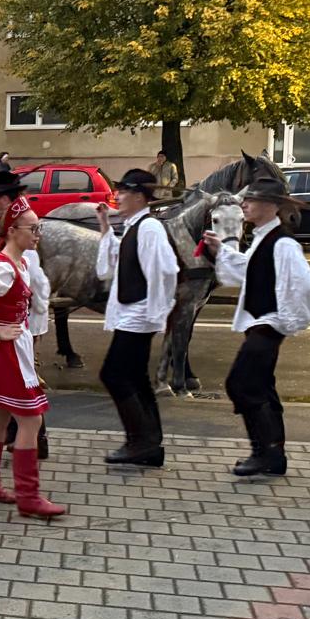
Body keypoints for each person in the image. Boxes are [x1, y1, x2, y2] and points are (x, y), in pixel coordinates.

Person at [204, 177, 310, 477]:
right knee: (262, 386)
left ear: (271, 206)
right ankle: (272, 454)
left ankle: (265, 452)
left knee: (242, 383)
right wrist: (221, 250)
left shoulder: (284, 243)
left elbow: (304, 286)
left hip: (269, 324)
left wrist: (282, 322)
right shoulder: (263, 239)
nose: (245, 204)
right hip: (261, 323)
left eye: (251, 200)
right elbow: (250, 270)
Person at [0, 196, 63, 517]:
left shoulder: (18, 262)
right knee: (31, 418)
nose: (38, 234)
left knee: (0, 416)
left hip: (9, 346)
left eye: (39, 228)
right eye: (32, 229)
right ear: (12, 231)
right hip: (3, 349)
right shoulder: (4, 266)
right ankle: (28, 496)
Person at [95, 169, 177, 467]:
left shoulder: (149, 228)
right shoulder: (135, 226)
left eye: (123, 192)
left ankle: (141, 442)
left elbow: (166, 270)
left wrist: (155, 311)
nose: (117, 196)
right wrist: (105, 225)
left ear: (140, 197)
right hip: (135, 313)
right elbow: (112, 264)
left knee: (114, 374)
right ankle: (149, 443)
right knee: (136, 377)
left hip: (139, 315)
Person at [0, 167, 53, 458]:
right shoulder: (4, 226)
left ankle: (37, 441)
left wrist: (33, 326)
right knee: (12, 391)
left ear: (3, 199)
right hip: (10, 320)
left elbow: (36, 283)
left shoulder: (22, 229)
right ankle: (17, 438)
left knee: (27, 385)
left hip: (20, 322)